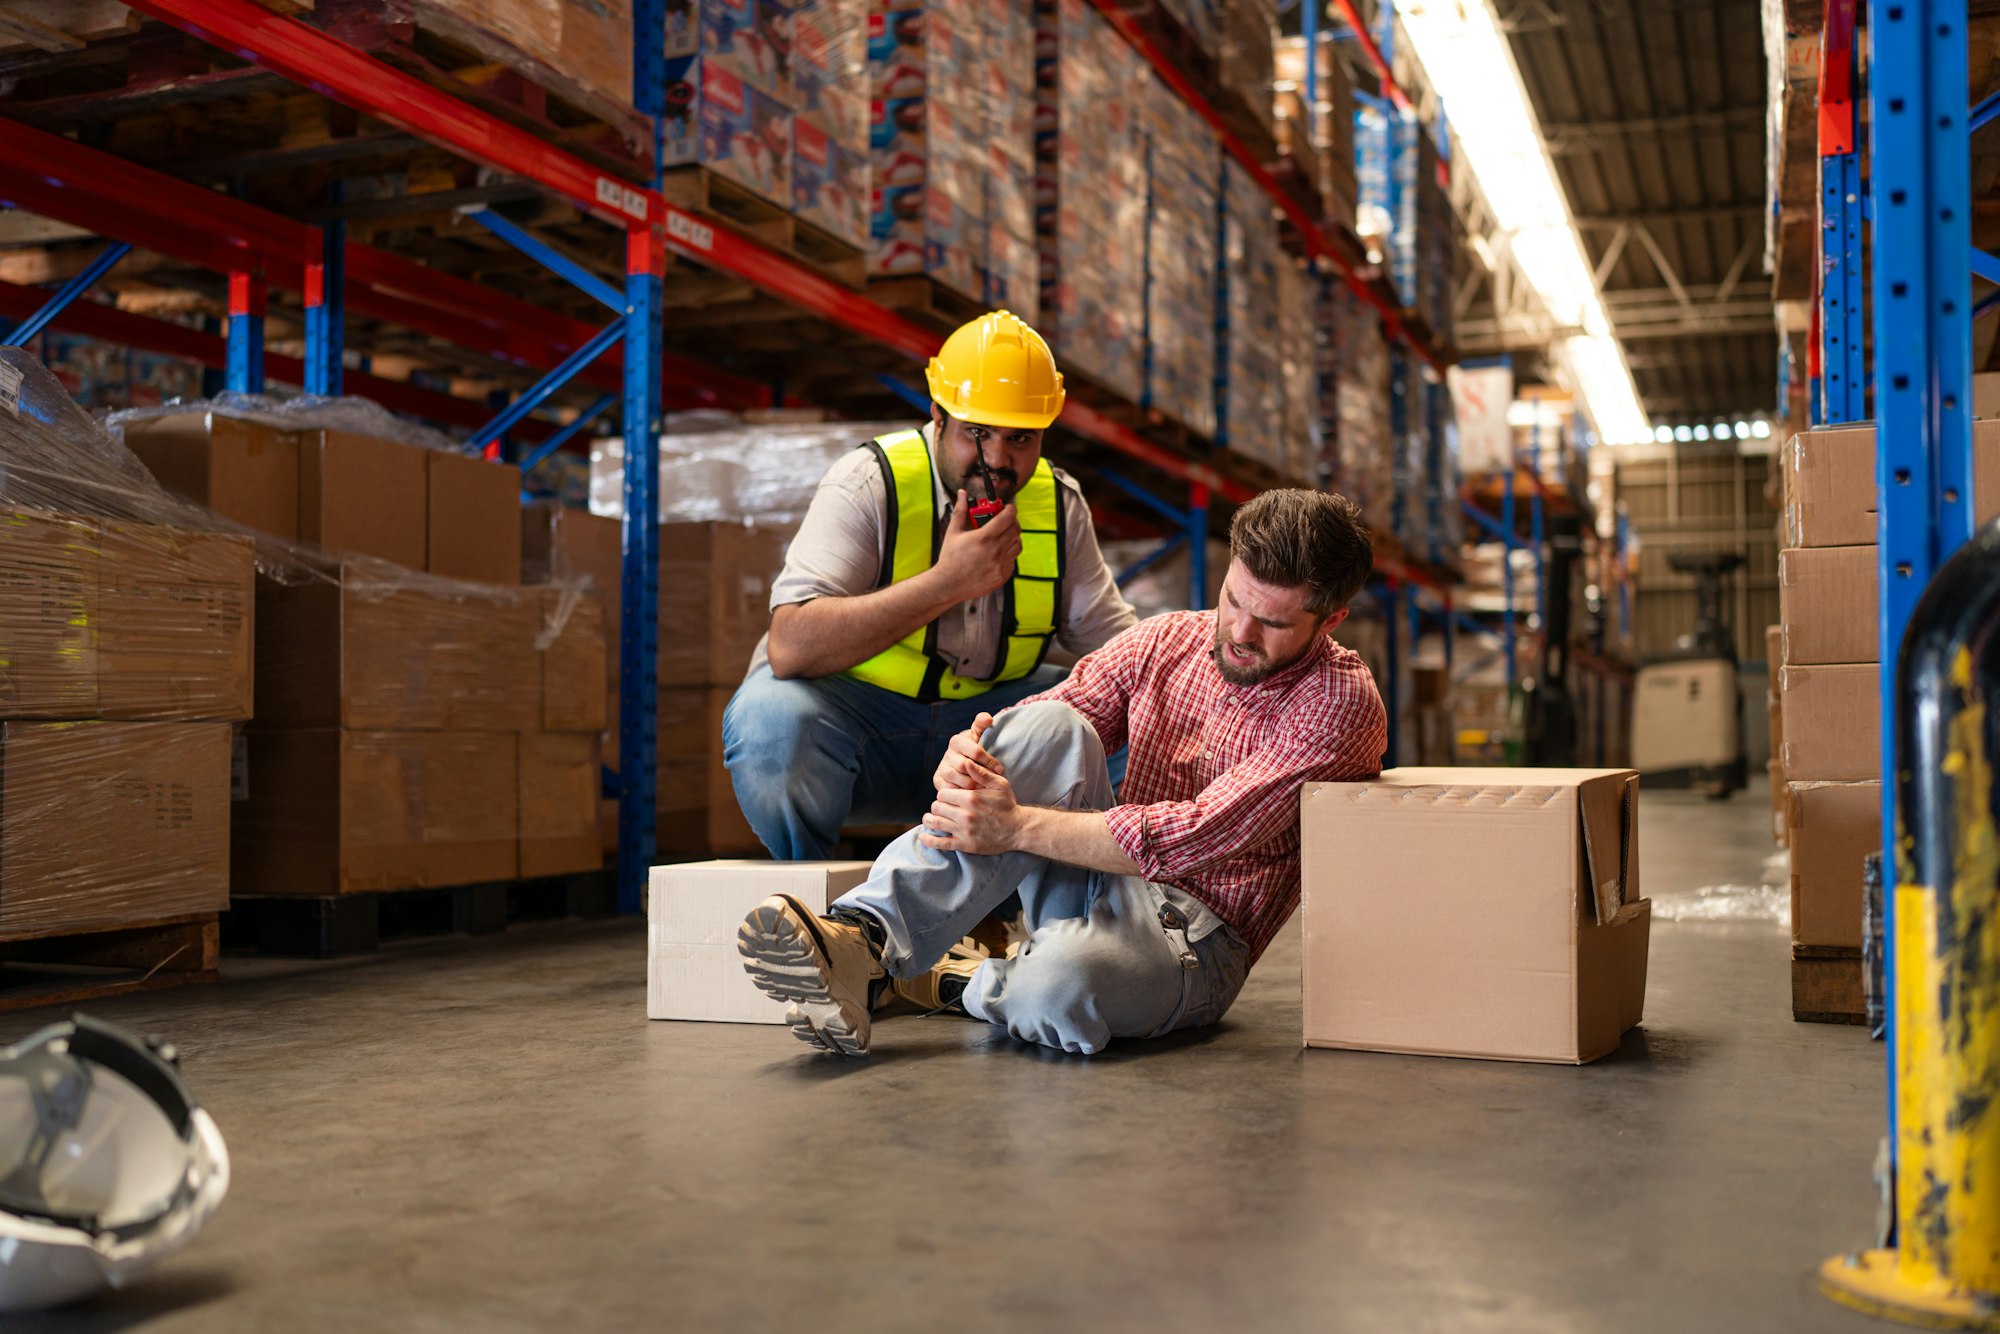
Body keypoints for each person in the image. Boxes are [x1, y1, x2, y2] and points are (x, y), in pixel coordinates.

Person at [736, 488, 1387, 1057]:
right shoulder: (1169, 639)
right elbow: (1052, 714)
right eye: (1234, 600)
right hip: (1101, 880)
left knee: (1057, 990)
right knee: (1054, 727)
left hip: (1197, 944)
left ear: (1329, 619)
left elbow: (1196, 837)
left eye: (1271, 622)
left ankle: (950, 980)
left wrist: (1014, 826)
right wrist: (971, 749)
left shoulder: (1339, 703)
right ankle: (863, 939)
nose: (1239, 631)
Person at [722, 310, 1136, 860]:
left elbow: (1121, 649)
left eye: (1020, 438)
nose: (997, 460)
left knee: (1133, 723)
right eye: (977, 433)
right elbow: (791, 646)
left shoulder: (1058, 504)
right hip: (864, 730)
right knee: (771, 721)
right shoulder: (869, 483)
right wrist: (946, 583)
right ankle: (815, 902)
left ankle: (1018, 907)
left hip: (985, 740)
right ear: (938, 417)